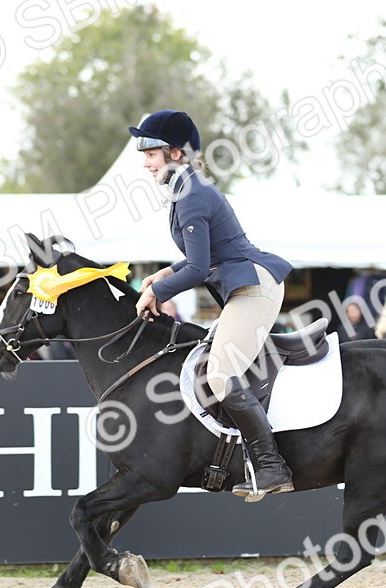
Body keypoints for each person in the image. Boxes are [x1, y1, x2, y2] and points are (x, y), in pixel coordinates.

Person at [130, 109, 293, 498]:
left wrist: (155, 293)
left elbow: (201, 268)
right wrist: (163, 275)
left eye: (150, 153)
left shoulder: (192, 194)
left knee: (220, 375)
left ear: (173, 153)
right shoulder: (188, 188)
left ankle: (272, 467)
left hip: (255, 287)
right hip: (242, 285)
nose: (145, 162)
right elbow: (200, 258)